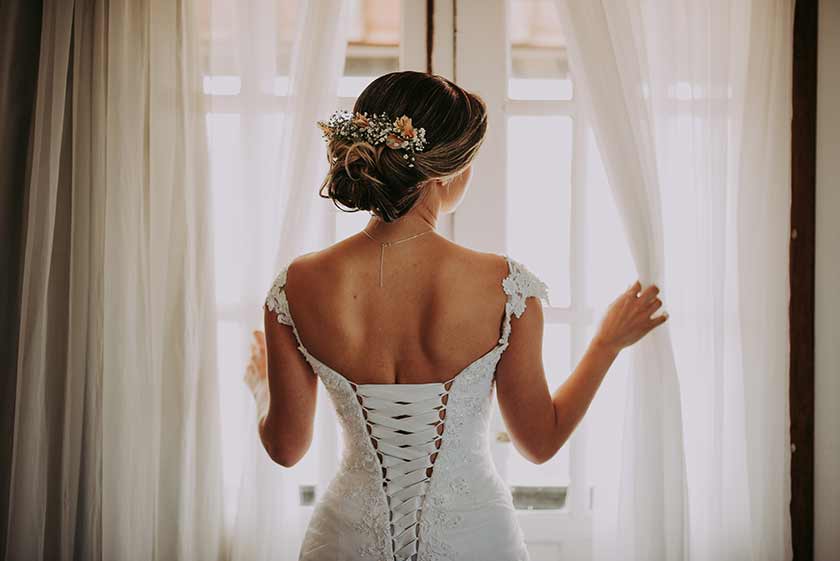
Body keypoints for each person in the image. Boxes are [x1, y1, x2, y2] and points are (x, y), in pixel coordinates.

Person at [243, 71, 668, 561]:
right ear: (445, 172)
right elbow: (540, 442)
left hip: (347, 541)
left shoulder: (297, 284)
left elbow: (286, 448)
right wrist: (605, 345)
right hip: (474, 539)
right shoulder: (506, 288)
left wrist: (259, 389)